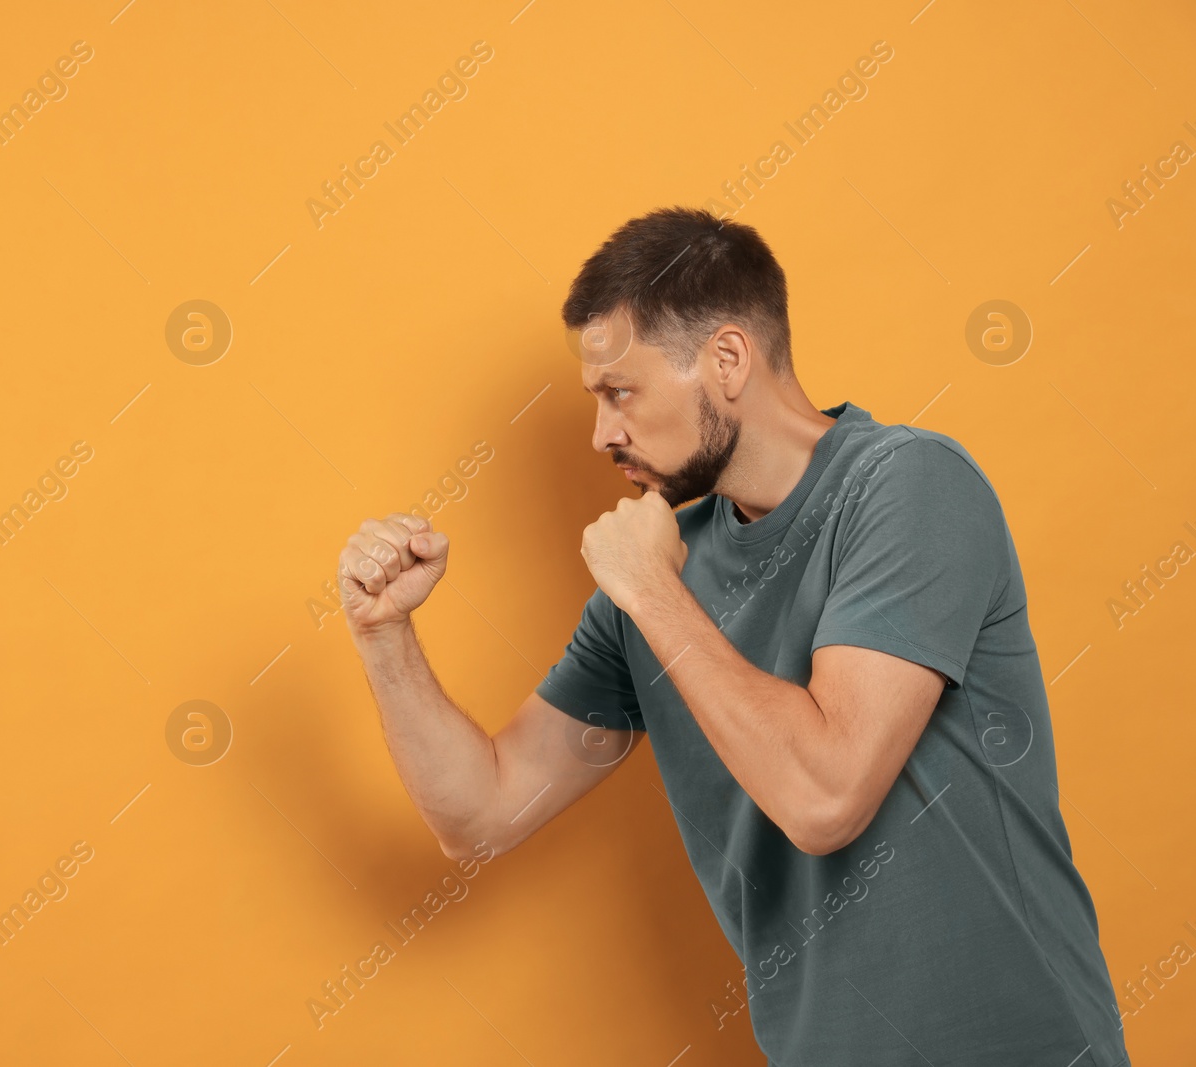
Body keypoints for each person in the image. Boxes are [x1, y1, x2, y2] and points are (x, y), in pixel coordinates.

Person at [338, 207, 1128, 1066]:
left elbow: (826, 797)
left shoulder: (908, 487)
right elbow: (481, 815)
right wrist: (385, 635)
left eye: (620, 391)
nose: (602, 433)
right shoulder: (655, 583)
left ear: (726, 360)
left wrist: (649, 589)